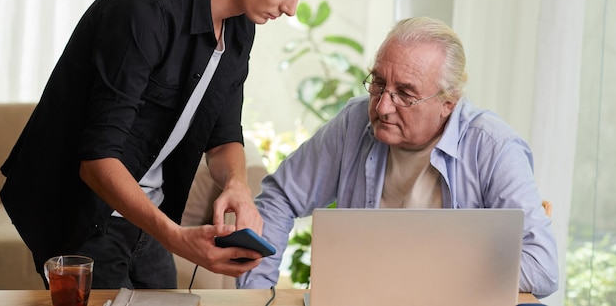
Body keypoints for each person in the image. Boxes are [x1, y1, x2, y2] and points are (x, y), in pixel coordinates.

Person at [0, 0, 344, 289]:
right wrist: (178, 239)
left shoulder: (241, 27)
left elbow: (223, 133)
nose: (291, 9)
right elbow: (97, 159)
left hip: (146, 217)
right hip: (84, 217)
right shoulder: (144, 11)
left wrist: (236, 185)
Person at [237, 17, 559, 298]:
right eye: (378, 83)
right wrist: (258, 296)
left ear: (448, 101)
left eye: (405, 94)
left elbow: (542, 266)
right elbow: (280, 197)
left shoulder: (493, 147)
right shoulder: (354, 123)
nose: (382, 107)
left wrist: (433, 279)